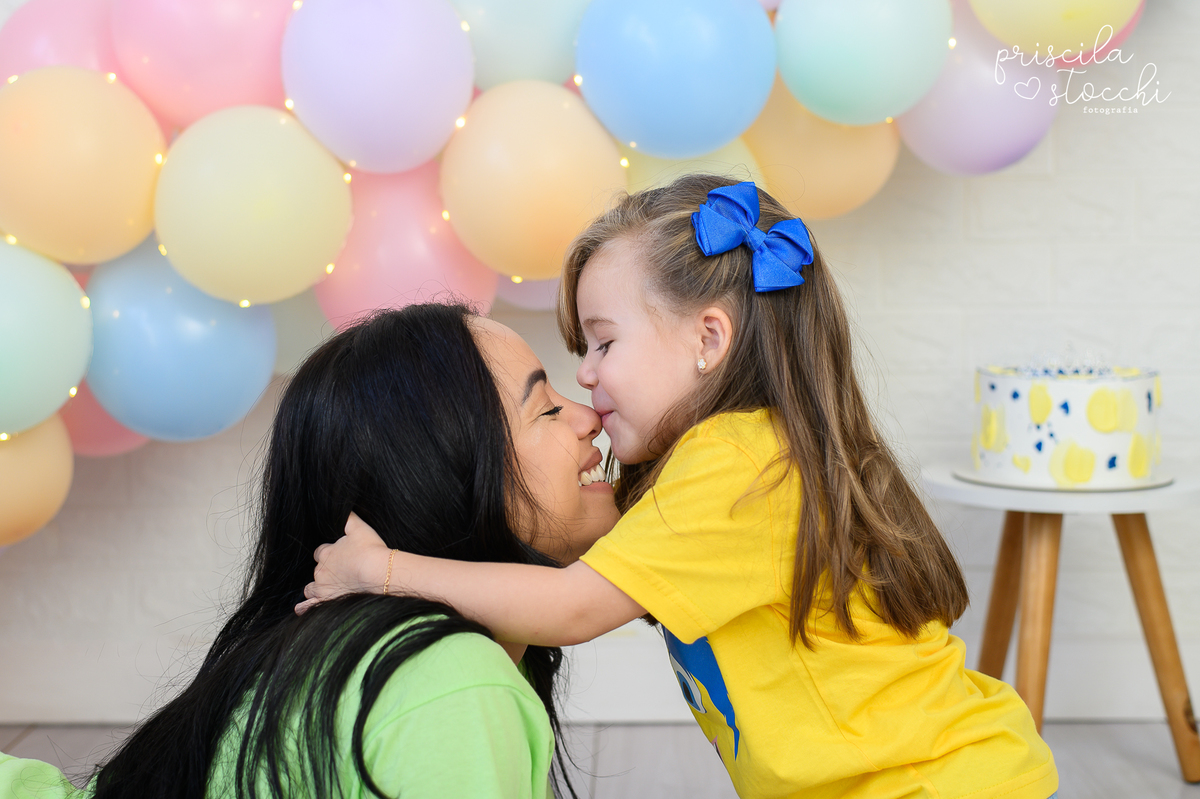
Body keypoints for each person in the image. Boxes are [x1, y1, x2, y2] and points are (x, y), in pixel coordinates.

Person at [304, 176, 1060, 799]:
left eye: (604, 341)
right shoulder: (746, 456)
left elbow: (572, 607)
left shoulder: (737, 462)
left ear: (707, 339)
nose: (588, 374)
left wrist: (384, 570)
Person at [1, 303, 618, 799]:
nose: (589, 417)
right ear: (443, 476)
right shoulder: (454, 686)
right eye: (545, 408)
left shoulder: (397, 659)